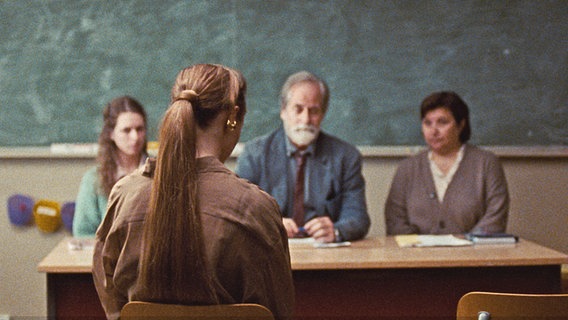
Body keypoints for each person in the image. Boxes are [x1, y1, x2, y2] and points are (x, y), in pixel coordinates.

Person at [92, 64, 295, 320]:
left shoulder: (125, 195)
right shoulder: (256, 208)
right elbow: (277, 311)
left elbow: (113, 300)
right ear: (233, 117)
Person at [236, 71, 370, 243]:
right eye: (298, 109)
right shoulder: (254, 154)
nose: (305, 119)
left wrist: (336, 230)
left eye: (314, 111)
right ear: (283, 111)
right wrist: (269, 225)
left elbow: (358, 217)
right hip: (270, 253)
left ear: (323, 114)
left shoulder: (346, 157)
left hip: (326, 257)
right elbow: (240, 212)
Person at [385, 91, 509, 235]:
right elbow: (395, 221)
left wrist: (466, 246)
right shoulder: (407, 168)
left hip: (473, 254)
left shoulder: (486, 164)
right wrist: (419, 249)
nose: (433, 131)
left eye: (442, 122)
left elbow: (495, 218)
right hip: (417, 255)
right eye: (427, 123)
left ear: (461, 125)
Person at [72, 96, 148, 237]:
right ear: (111, 133)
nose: (135, 137)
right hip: (109, 257)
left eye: (139, 129)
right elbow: (83, 232)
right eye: (126, 130)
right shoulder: (94, 179)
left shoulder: (160, 173)